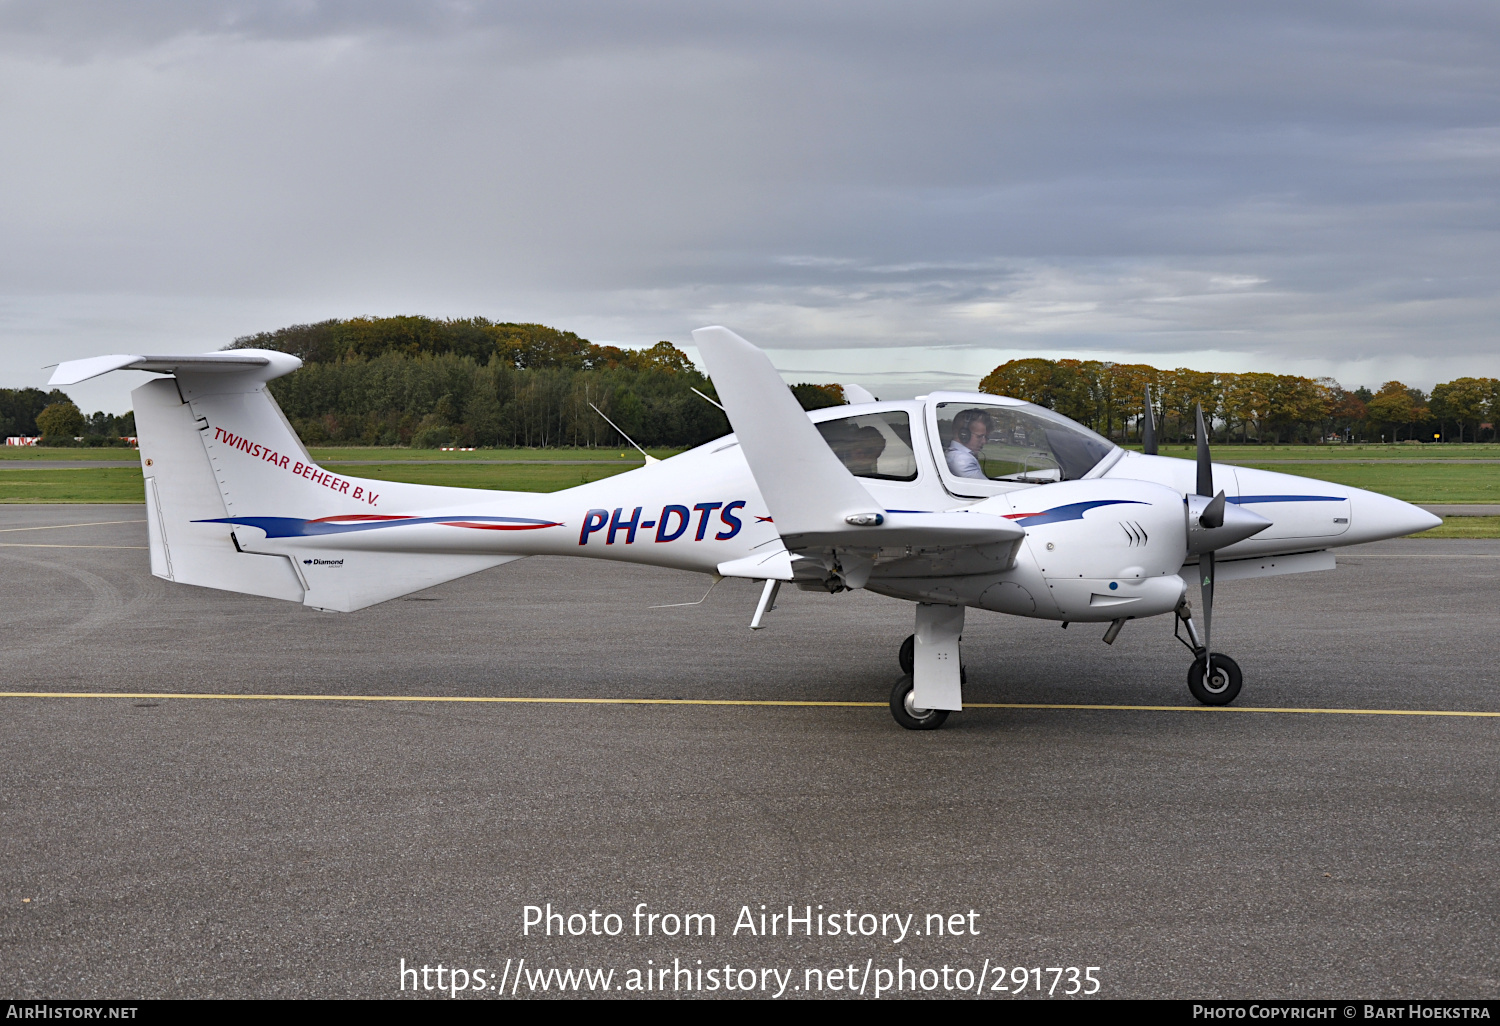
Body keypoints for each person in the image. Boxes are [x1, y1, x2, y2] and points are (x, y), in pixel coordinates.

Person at [945, 408, 994, 478]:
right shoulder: (963, 460)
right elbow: (987, 488)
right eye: (979, 436)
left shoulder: (954, 455)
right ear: (964, 434)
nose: (984, 441)